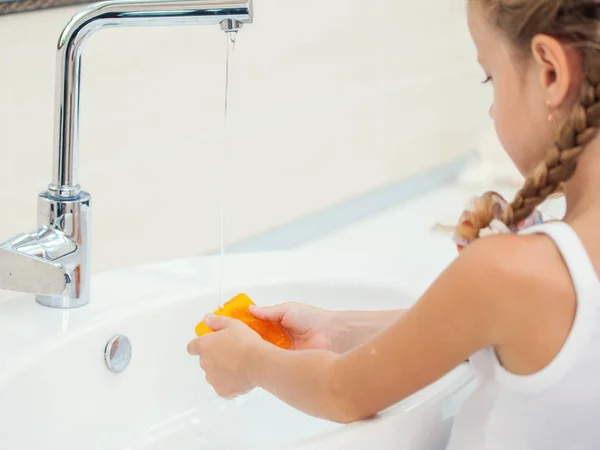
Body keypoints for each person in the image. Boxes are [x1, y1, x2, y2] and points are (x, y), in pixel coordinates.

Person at [187, 1, 600, 448]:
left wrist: (250, 362)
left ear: (552, 73)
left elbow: (340, 391)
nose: (491, 111)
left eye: (490, 78)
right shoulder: (551, 270)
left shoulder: (510, 270)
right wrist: (339, 330)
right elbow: (476, 326)